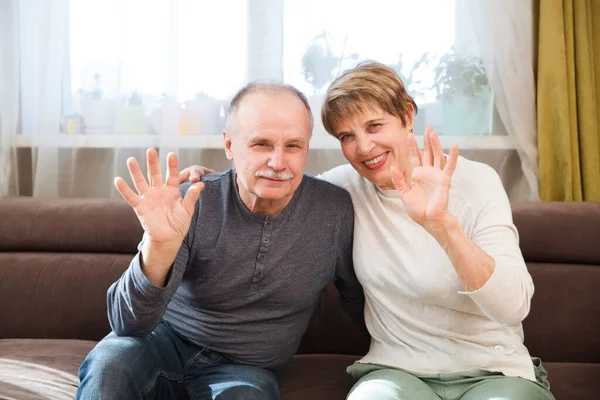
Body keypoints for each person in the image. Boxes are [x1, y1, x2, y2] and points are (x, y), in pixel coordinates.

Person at [180, 62, 556, 400]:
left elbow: (512, 307)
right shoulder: (344, 190)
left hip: (494, 372)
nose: (363, 148)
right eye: (346, 136)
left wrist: (442, 226)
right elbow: (278, 182)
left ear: (407, 115)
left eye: (374, 126)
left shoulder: (476, 182)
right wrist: (215, 184)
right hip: (397, 373)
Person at [76, 82, 366, 400]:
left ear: (306, 149)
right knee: (109, 363)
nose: (278, 162)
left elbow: (362, 303)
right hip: (162, 343)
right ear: (229, 145)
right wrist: (157, 248)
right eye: (261, 144)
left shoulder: (334, 212)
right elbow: (126, 324)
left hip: (246, 369)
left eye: (293, 146)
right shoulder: (195, 200)